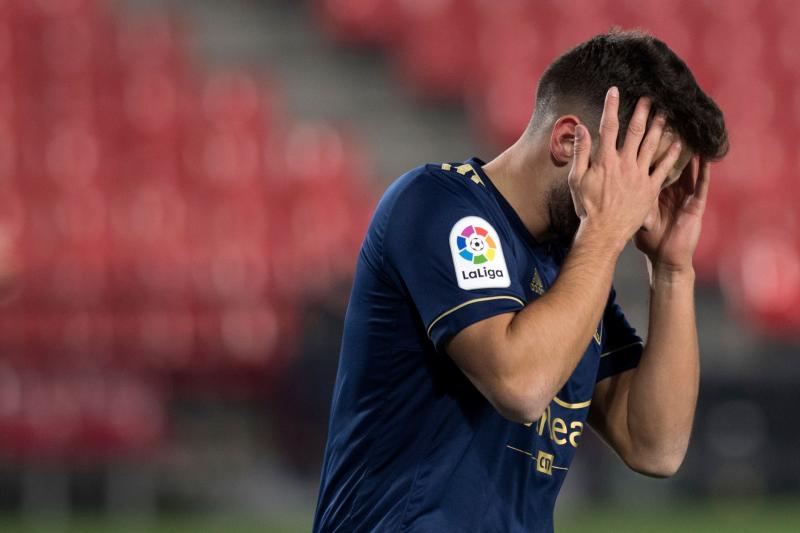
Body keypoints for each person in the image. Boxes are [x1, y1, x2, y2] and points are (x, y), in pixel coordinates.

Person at [313, 29, 728, 532]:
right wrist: (601, 235)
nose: (641, 212)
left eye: (655, 187)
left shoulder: (572, 268)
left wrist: (672, 270)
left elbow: (655, 447)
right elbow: (520, 385)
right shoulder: (438, 205)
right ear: (569, 141)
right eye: (637, 179)